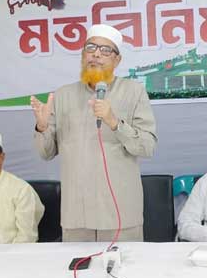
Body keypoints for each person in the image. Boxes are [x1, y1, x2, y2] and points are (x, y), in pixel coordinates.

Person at [31, 24, 157, 242]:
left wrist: (114, 122)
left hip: (120, 214)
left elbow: (147, 146)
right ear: (82, 55)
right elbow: (46, 153)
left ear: (117, 60)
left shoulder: (134, 92)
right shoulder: (62, 95)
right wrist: (42, 128)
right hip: (76, 216)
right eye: (90, 48)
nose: (96, 54)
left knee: (123, 264)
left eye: (105, 50)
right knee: (78, 265)